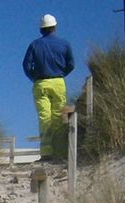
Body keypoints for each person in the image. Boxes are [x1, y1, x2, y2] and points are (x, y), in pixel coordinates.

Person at [22, 14, 74, 161]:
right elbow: (71, 64)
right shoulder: (64, 44)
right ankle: (60, 152)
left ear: (41, 30)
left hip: (41, 83)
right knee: (58, 118)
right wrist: (61, 74)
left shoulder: (34, 45)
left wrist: (33, 77)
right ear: (55, 27)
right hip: (58, 82)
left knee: (45, 118)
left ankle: (46, 153)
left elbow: (26, 65)